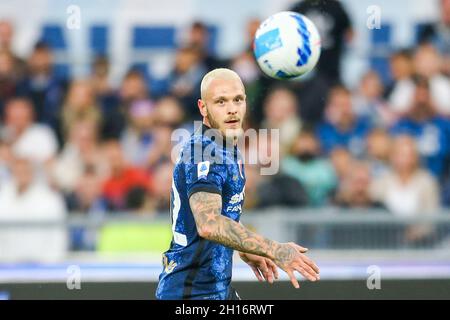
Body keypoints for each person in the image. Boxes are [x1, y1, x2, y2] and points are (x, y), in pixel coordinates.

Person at [155, 68, 319, 300]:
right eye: (221, 101)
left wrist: (244, 248)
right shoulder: (202, 152)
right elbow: (209, 224)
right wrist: (276, 250)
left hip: (216, 290)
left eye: (238, 100)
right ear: (203, 108)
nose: (232, 108)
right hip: (190, 292)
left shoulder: (228, 148)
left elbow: (223, 214)